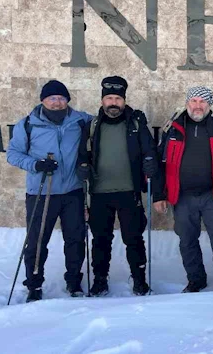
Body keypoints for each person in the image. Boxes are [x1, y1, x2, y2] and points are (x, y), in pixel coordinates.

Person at [6, 80, 93, 302]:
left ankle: (74, 282)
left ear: (67, 101)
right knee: (37, 241)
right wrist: (36, 164)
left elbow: (105, 124)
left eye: (61, 98)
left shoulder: (80, 121)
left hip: (73, 191)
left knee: (75, 239)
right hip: (41, 191)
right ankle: (34, 285)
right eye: (52, 98)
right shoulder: (27, 124)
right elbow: (13, 154)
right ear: (43, 100)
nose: (57, 102)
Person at [152, 86, 213, 292]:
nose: (197, 106)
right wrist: (159, 195)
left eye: (202, 102)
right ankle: (196, 280)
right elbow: (160, 162)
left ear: (210, 105)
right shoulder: (173, 128)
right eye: (193, 101)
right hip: (182, 196)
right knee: (187, 240)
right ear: (187, 103)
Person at [78, 76, 157, 297]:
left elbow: (149, 149)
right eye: (109, 98)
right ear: (103, 100)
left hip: (128, 191)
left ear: (124, 100)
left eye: (118, 98)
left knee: (133, 238)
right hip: (100, 193)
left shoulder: (135, 123)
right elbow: (82, 154)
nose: (114, 103)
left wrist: (149, 162)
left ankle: (139, 279)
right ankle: (100, 280)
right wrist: (82, 166)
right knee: (101, 240)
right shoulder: (92, 126)